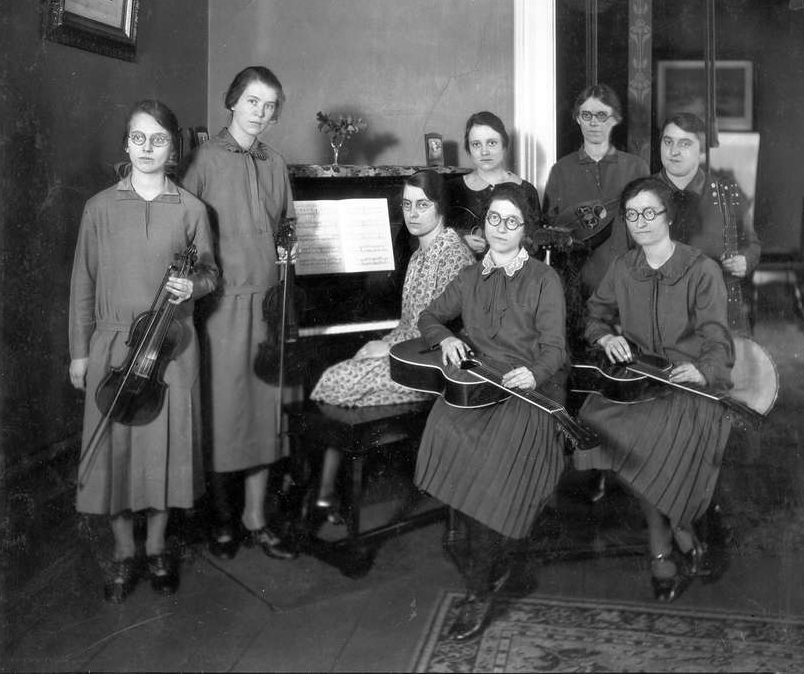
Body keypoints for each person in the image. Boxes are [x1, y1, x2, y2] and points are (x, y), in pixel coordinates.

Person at [69, 100, 219, 602]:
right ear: (126, 144)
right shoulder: (99, 207)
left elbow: (211, 274)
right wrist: (79, 353)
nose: (148, 149)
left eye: (158, 140)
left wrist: (192, 288)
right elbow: (82, 285)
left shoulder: (193, 210)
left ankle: (156, 548)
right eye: (139, 139)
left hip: (169, 349)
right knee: (114, 456)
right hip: (112, 344)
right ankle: (122, 553)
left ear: (173, 147)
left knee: (161, 452)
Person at [413, 182, 568, 640]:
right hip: (476, 390)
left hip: (526, 395)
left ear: (526, 230)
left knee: (486, 479)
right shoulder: (468, 277)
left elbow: (556, 349)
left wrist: (535, 374)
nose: (501, 229)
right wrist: (447, 338)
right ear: (483, 223)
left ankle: (480, 590)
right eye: (494, 219)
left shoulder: (544, 279)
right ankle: (486, 559)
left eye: (512, 221)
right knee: (446, 439)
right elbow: (428, 317)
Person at [573, 176, 734, 602]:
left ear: (669, 217)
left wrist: (704, 370)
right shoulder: (624, 267)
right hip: (641, 389)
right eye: (631, 215)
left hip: (691, 392)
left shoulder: (701, 270)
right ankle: (677, 529)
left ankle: (662, 547)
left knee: (646, 445)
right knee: (599, 425)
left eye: (649, 212)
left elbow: (718, 339)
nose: (640, 222)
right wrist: (606, 337)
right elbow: (594, 316)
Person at [309, 170, 475, 518]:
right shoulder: (418, 254)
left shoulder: (453, 255)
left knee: (337, 380)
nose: (412, 214)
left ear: (440, 207)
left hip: (430, 369)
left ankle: (326, 495)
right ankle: (324, 495)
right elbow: (406, 323)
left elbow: (440, 330)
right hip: (407, 352)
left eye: (422, 205)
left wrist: (385, 348)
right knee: (340, 377)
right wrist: (382, 344)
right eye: (406, 205)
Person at [181, 66, 297, 560]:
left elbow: (288, 224)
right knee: (225, 413)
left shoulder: (275, 162)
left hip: (270, 307)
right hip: (224, 307)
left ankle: (255, 516)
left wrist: (288, 248)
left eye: (270, 106)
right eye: (253, 102)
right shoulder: (206, 158)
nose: (261, 114)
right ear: (233, 103)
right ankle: (223, 519)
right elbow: (185, 226)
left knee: (264, 414)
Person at [542, 84, 648, 352]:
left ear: (615, 119)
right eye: (586, 115)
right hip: (578, 290)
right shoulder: (561, 171)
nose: (593, 123)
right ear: (577, 118)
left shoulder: (635, 167)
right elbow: (551, 236)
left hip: (628, 289)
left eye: (601, 115)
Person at [656, 112, 761, 333]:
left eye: (685, 144)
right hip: (659, 311)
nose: (673, 151)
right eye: (668, 142)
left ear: (702, 152)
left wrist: (745, 260)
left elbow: (752, 245)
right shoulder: (643, 194)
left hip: (717, 311)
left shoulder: (726, 193)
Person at [447, 111, 541, 256]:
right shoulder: (452, 189)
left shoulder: (527, 191)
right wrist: (461, 242)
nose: (484, 152)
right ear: (469, 149)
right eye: (476, 144)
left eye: (492, 143)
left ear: (504, 145)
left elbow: (536, 251)